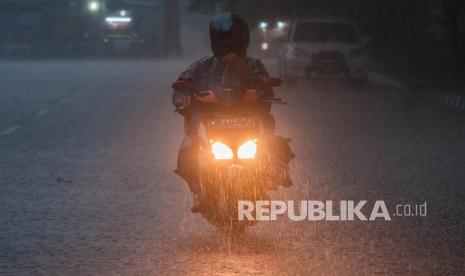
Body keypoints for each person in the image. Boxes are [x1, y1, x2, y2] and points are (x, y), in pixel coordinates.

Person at [172, 12, 293, 212]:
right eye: (224, 41)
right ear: (215, 42)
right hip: (210, 123)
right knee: (188, 151)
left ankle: (270, 177)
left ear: (243, 41)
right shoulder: (201, 66)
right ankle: (198, 188)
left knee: (274, 144)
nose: (229, 47)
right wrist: (183, 98)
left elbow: (266, 88)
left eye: (233, 41)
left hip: (247, 122)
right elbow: (181, 87)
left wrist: (259, 90)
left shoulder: (254, 66)